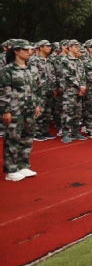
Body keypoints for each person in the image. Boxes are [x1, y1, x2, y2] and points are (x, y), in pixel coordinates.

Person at [1, 40, 41, 182]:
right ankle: (11, 170)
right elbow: (4, 92)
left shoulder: (32, 69)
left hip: (29, 108)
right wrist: (6, 111)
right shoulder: (8, 70)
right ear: (16, 51)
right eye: (26, 49)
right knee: (12, 139)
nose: (29, 52)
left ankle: (23, 165)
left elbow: (36, 89)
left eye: (30, 49)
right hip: (14, 110)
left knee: (27, 138)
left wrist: (37, 105)